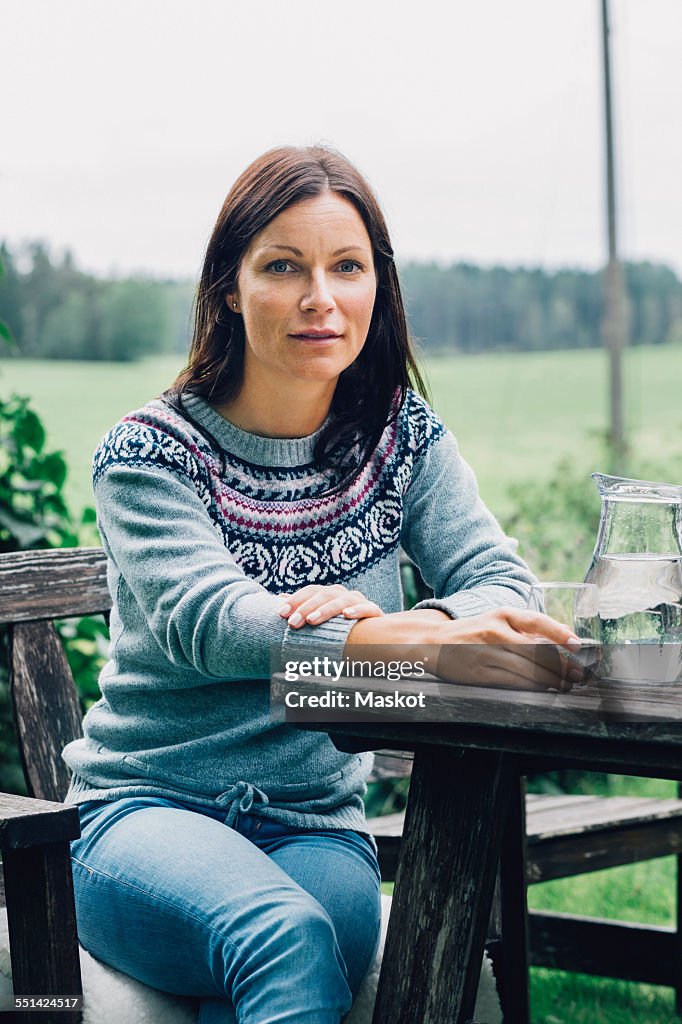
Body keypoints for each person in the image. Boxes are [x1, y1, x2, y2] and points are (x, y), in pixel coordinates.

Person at [62, 144, 582, 1024]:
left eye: (347, 267)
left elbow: (503, 586)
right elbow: (210, 625)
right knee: (279, 935)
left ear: (378, 285)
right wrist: (374, 643)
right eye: (282, 267)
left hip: (315, 828)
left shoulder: (401, 439)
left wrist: (399, 623)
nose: (320, 298)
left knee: (293, 940)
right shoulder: (149, 453)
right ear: (228, 287)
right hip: (143, 815)